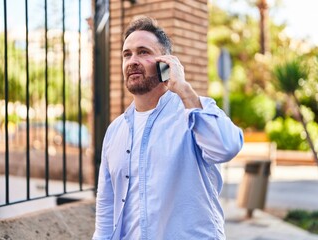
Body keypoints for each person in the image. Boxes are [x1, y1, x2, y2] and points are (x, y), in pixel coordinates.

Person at [93, 16, 243, 240]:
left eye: (143, 52)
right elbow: (106, 204)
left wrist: (182, 87)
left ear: (166, 62)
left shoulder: (194, 111)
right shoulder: (115, 130)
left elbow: (227, 147)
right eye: (127, 54)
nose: (132, 60)